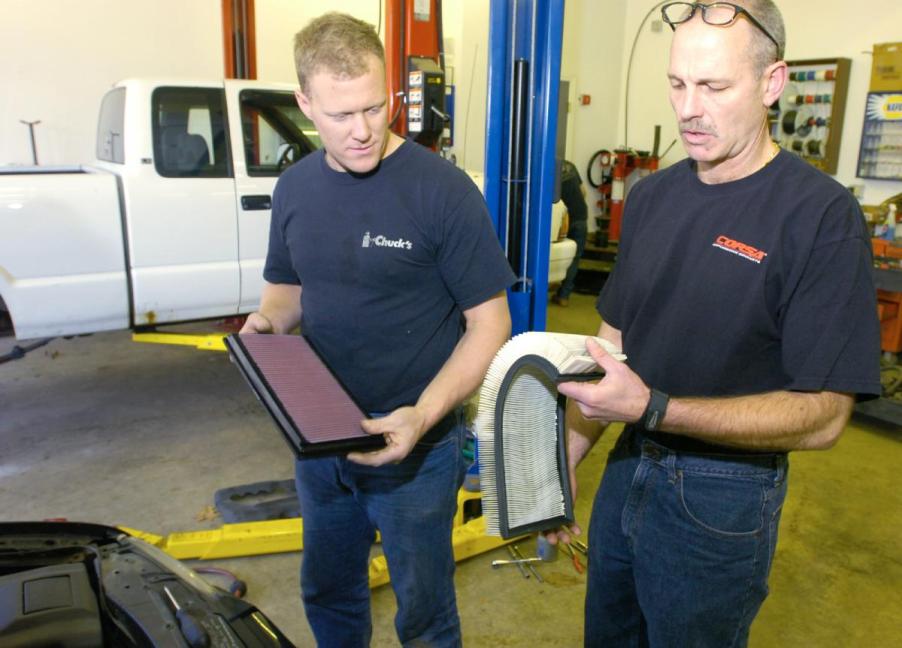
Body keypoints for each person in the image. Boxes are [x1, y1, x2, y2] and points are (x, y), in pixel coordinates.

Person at [549, 2, 882, 646]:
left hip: (723, 497)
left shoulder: (819, 217)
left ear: (772, 83)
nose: (688, 109)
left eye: (714, 87)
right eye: (677, 83)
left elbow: (824, 417)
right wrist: (565, 459)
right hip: (626, 469)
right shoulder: (651, 197)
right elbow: (611, 348)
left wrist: (654, 407)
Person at [240, 12, 515, 647]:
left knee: (424, 612)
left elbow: (489, 322)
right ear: (305, 102)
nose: (363, 131)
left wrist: (422, 414)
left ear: (389, 88)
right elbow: (286, 292)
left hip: (415, 451)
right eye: (340, 116)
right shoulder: (294, 189)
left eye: (374, 107)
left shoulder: (442, 192)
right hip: (320, 445)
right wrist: (264, 326)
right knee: (328, 592)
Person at [551, 159, 589, 307]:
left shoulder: (544, 169)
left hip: (562, 220)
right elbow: (583, 192)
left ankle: (551, 283)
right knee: (574, 258)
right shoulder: (569, 165)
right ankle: (564, 296)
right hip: (580, 216)